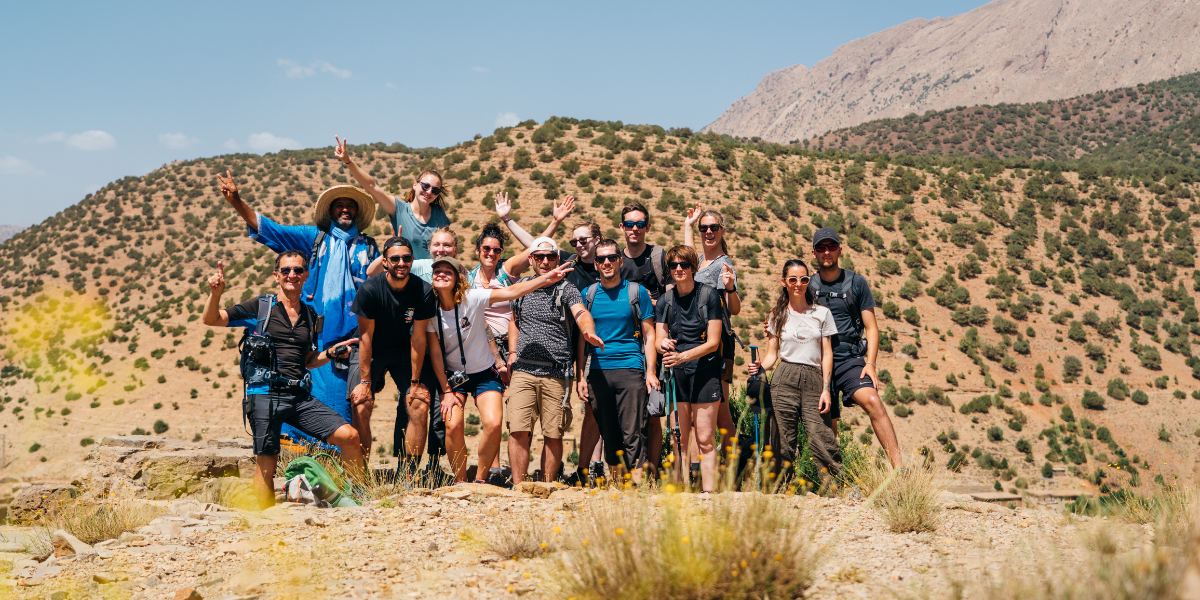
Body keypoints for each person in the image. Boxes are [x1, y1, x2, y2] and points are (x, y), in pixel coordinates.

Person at [216, 172, 378, 453]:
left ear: (357, 212)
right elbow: (269, 229)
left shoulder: (369, 247)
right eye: (339, 205)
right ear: (330, 211)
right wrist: (236, 201)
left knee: (349, 404)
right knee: (302, 400)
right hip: (309, 335)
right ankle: (298, 466)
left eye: (350, 206)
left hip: (351, 341)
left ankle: (349, 469)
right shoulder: (313, 240)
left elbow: (385, 282)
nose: (345, 209)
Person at [202, 251, 363, 509]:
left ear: (306, 275)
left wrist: (331, 353)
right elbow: (211, 319)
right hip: (264, 393)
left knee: (349, 436)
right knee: (267, 462)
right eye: (286, 270)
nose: (292, 275)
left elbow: (309, 360)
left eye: (298, 270)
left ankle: (356, 501)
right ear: (276, 276)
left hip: (298, 396)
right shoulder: (261, 307)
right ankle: (266, 521)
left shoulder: (310, 315)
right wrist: (216, 294)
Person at [427, 256, 575, 482]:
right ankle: (460, 481)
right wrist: (446, 391)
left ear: (458, 279)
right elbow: (435, 352)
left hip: (484, 372)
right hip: (452, 377)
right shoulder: (429, 310)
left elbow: (511, 292)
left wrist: (544, 279)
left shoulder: (472, 298)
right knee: (453, 424)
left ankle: (480, 479)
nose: (442, 274)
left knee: (494, 424)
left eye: (448, 271)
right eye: (438, 271)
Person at [506, 237, 603, 485]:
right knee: (518, 430)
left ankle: (547, 488)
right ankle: (519, 487)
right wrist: (513, 352)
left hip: (556, 373)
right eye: (539, 257)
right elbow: (514, 320)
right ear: (531, 260)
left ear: (557, 259)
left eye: (550, 257)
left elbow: (581, 312)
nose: (545, 261)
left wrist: (587, 329)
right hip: (523, 370)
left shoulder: (567, 289)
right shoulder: (522, 287)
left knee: (553, 433)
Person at [810, 227, 902, 467]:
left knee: (873, 401)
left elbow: (871, 328)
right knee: (826, 423)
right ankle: (831, 480)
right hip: (818, 361)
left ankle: (900, 469)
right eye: (821, 247)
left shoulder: (856, 282)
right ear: (814, 253)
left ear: (840, 250)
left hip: (850, 359)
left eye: (831, 246)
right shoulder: (807, 285)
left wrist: (870, 364)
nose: (826, 251)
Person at [750, 259, 840, 490]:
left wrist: (826, 389)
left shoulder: (822, 313)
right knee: (780, 438)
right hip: (784, 377)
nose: (798, 284)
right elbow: (773, 354)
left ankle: (836, 490)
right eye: (793, 279)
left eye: (804, 279)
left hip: (814, 378)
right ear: (784, 282)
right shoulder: (776, 315)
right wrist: (761, 367)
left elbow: (827, 354)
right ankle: (777, 491)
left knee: (821, 436)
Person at [349, 237, 437, 472]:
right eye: (395, 258)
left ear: (412, 260)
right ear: (385, 262)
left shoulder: (423, 290)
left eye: (406, 258)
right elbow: (366, 338)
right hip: (372, 349)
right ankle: (359, 475)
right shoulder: (370, 289)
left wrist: (416, 382)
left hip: (402, 350)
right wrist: (366, 382)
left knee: (419, 403)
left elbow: (418, 338)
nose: (401, 263)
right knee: (361, 404)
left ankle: (408, 476)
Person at [577, 239, 658, 485]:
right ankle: (618, 491)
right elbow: (582, 340)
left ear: (620, 261)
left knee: (633, 432)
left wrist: (650, 371)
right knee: (609, 433)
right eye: (601, 259)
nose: (607, 263)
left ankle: (637, 488)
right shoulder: (587, 295)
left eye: (611, 257)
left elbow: (649, 334)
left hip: (631, 369)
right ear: (596, 264)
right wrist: (580, 375)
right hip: (599, 373)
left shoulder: (636, 292)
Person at [656, 245, 724, 492]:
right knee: (679, 439)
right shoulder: (665, 300)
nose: (678, 269)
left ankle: (710, 493)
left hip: (705, 372)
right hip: (678, 374)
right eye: (673, 265)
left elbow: (714, 343)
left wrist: (682, 356)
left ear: (693, 267)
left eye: (683, 265)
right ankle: (681, 492)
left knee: (705, 438)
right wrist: (662, 343)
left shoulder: (709, 296)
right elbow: (657, 339)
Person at [682, 205, 741, 476]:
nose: (708, 232)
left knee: (720, 410)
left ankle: (730, 468)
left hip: (718, 344)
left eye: (713, 228)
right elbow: (686, 258)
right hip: (695, 343)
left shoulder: (723, 264)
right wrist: (688, 225)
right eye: (703, 228)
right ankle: (700, 468)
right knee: (699, 410)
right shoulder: (700, 263)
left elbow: (735, 309)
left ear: (722, 231)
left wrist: (729, 287)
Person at [336, 136, 450, 259]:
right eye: (425, 186)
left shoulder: (439, 213)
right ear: (415, 185)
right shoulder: (399, 209)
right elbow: (372, 186)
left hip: (433, 276)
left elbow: (448, 248)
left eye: (435, 190)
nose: (429, 192)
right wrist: (348, 161)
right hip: (406, 276)